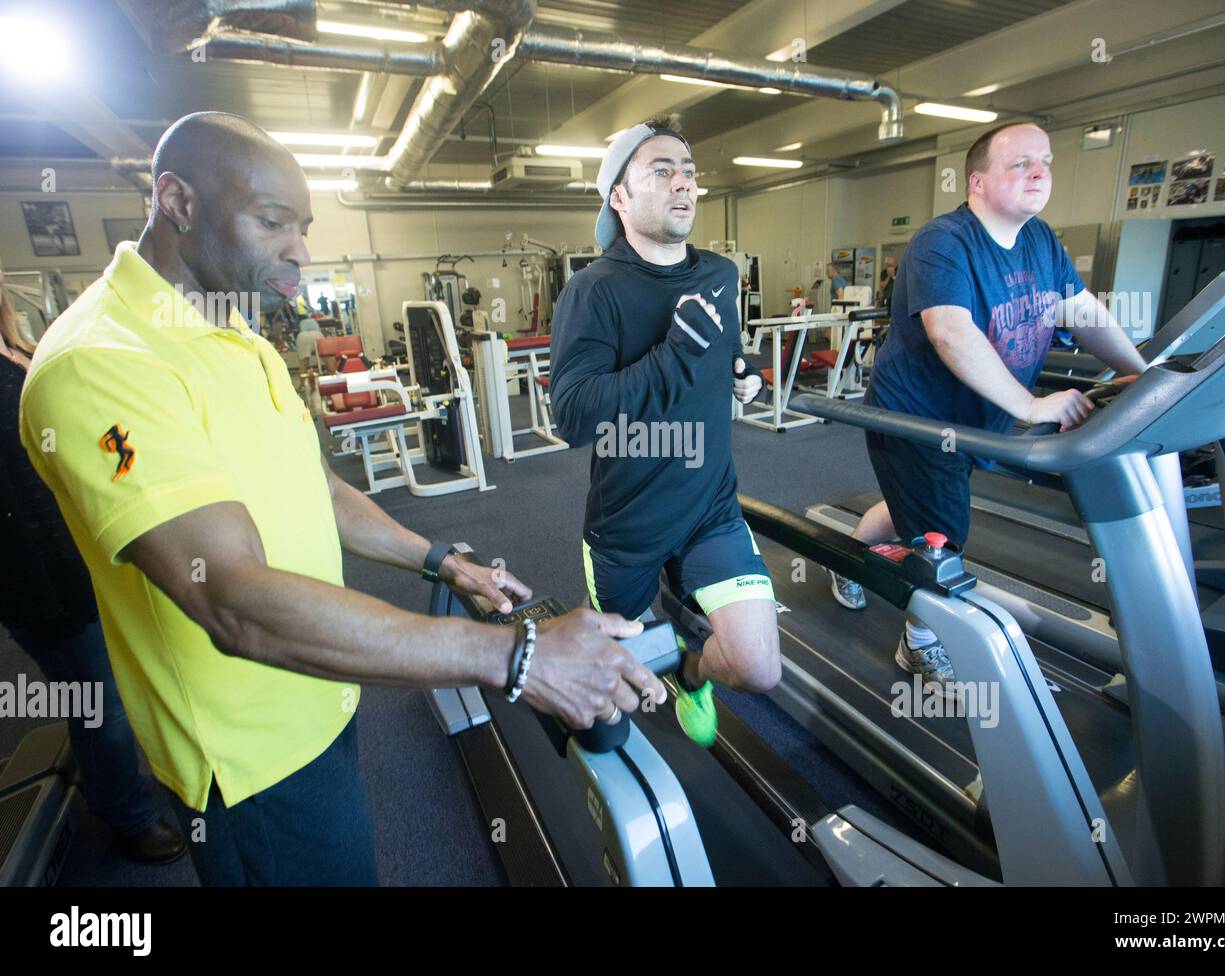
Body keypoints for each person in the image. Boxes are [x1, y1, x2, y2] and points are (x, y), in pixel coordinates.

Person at [19, 112, 661, 886]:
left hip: (319, 690)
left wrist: (440, 560)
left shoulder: (235, 331)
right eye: (272, 221)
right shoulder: (101, 363)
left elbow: (312, 484)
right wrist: (517, 656)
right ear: (176, 201)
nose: (300, 250)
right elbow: (233, 600)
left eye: (305, 225)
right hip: (248, 757)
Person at [828, 123, 1146, 697]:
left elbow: (1083, 313)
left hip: (980, 422)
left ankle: (847, 557)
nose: (1039, 172)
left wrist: (1142, 376)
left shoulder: (1042, 241)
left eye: (1045, 162)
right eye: (1020, 163)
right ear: (977, 181)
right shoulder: (943, 241)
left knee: (914, 506)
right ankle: (918, 643)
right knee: (944, 531)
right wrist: (1030, 404)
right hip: (917, 419)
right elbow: (951, 332)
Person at [549, 118, 776, 748]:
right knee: (605, 723)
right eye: (661, 171)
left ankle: (692, 671)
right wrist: (672, 358)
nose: (683, 184)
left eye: (689, 171)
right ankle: (659, 642)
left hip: (711, 506)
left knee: (758, 666)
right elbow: (571, 417)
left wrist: (741, 373)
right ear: (618, 198)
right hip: (628, 525)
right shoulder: (593, 292)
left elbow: (723, 352)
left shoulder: (721, 275)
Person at [0, 266, 186, 867]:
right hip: (39, 579)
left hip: (90, 553)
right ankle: (127, 816)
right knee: (95, 702)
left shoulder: (24, 348)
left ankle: (140, 780)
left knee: (127, 677)